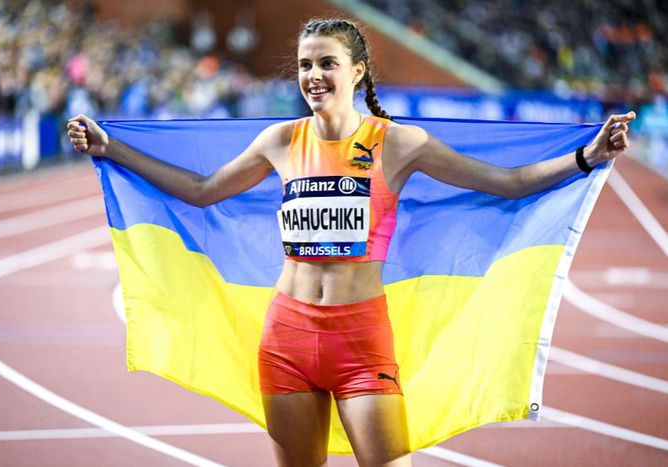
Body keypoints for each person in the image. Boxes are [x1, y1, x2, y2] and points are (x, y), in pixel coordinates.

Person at [67, 18, 635, 467]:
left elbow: (506, 183)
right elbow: (200, 190)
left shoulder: (399, 144)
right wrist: (110, 148)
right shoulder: (280, 140)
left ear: (357, 71)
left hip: (361, 342)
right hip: (286, 338)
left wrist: (588, 156)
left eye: (327, 63)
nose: (313, 75)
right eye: (304, 65)